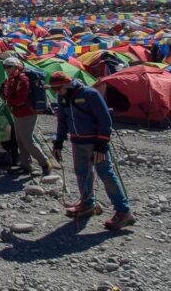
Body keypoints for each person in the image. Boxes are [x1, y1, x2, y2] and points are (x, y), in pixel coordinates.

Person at [49, 72, 135, 230]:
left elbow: (105, 119)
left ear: (67, 85)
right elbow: (62, 120)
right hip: (77, 142)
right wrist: (58, 142)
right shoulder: (62, 98)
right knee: (81, 172)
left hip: (94, 143)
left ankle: (123, 211)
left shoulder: (90, 94)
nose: (56, 91)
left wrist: (102, 145)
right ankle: (88, 205)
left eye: (58, 88)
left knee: (106, 174)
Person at [0, 57, 52, 176]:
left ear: (16, 67)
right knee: (20, 140)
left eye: (9, 66)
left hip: (27, 113)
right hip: (18, 112)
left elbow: (19, 99)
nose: (6, 69)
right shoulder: (12, 79)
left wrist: (8, 99)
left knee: (27, 140)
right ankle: (26, 165)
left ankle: (45, 163)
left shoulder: (23, 79)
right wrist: (3, 91)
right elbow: (9, 97)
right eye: (5, 66)